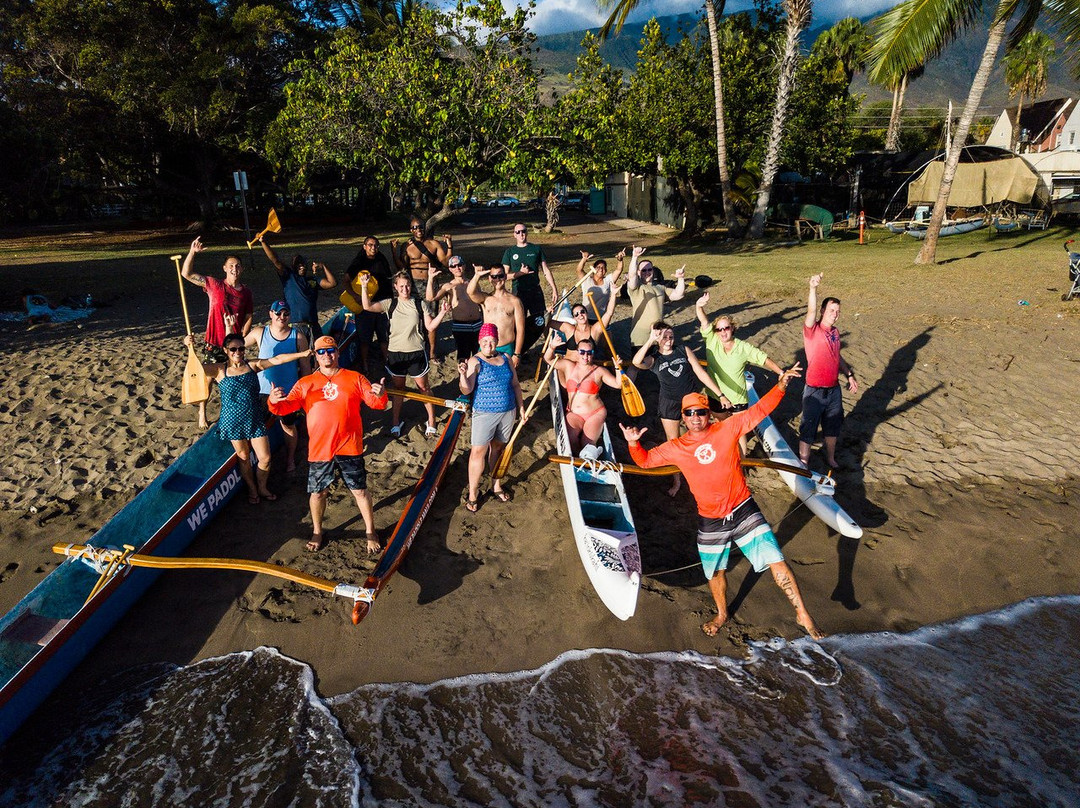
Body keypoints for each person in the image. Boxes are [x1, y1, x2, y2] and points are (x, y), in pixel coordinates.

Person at [619, 369, 825, 640]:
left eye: (700, 412)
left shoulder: (728, 428)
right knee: (715, 573)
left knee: (777, 561)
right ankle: (721, 614)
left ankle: (803, 614)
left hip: (743, 510)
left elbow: (759, 411)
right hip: (710, 519)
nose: (695, 418)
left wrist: (781, 386)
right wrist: (634, 444)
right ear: (682, 418)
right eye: (689, 413)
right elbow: (645, 461)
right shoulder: (676, 447)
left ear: (708, 414)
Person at [267, 335, 388, 553]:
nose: (327, 355)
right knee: (317, 493)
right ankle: (317, 531)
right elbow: (286, 408)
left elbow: (376, 403)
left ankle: (370, 531)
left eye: (330, 350)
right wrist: (274, 401)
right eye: (321, 352)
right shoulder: (305, 383)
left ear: (338, 352)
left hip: (350, 446)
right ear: (315, 356)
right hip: (320, 449)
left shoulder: (355, 377)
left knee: (359, 491)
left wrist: (380, 394)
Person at [185, 332, 311, 505]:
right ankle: (252, 489)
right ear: (226, 350)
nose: (238, 352)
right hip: (232, 421)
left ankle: (262, 487)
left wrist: (302, 354)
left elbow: (277, 359)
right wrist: (188, 347)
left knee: (265, 458)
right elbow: (194, 370)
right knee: (243, 456)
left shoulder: (253, 366)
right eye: (233, 349)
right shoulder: (220, 370)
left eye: (241, 348)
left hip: (255, 419)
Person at [631, 321, 725, 497]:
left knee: (701, 435)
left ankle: (707, 468)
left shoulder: (683, 350)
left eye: (671, 336)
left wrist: (720, 394)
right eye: (665, 337)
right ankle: (677, 480)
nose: (668, 340)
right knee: (672, 441)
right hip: (669, 402)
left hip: (691, 399)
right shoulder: (654, 358)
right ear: (659, 338)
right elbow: (637, 362)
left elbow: (700, 373)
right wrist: (651, 340)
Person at [358, 271, 448, 438]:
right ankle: (395, 422)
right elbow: (367, 306)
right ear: (395, 287)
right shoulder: (389, 304)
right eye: (401, 286)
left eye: (407, 285)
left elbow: (430, 327)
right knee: (398, 389)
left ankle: (432, 420)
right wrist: (364, 286)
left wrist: (442, 313)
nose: (405, 289)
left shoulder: (420, 303)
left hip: (416, 354)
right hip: (396, 355)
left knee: (424, 388)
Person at [695, 292, 784, 455]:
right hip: (716, 395)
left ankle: (742, 461)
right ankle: (726, 452)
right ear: (715, 331)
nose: (723, 332)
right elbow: (703, 320)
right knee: (721, 424)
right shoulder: (711, 339)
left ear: (732, 328)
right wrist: (699, 306)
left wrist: (781, 372)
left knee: (740, 432)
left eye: (726, 328)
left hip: (737, 398)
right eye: (719, 329)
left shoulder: (743, 347)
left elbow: (763, 358)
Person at [181, 237, 254, 429]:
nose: (234, 269)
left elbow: (248, 316)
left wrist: (242, 338)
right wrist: (192, 252)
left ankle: (231, 411)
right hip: (214, 341)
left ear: (242, 269)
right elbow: (186, 273)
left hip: (233, 345)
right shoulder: (214, 285)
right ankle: (202, 412)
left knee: (233, 378)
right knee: (209, 379)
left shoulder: (246, 293)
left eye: (238, 266)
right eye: (231, 265)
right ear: (224, 268)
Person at [457, 323, 526, 512]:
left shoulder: (506, 358)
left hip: (508, 411)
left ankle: (496, 485)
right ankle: (473, 492)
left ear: (497, 341)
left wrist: (521, 408)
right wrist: (463, 375)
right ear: (480, 341)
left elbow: (516, 385)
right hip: (484, 413)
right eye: (485, 340)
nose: (489, 344)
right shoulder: (475, 361)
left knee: (497, 449)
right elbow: (467, 389)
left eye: (492, 340)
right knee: (478, 453)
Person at [244, 300, 311, 472]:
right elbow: (234, 347)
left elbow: (305, 368)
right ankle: (257, 459)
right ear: (271, 314)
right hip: (262, 392)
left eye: (286, 314)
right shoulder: (260, 333)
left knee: (288, 426)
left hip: (287, 393)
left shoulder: (297, 336)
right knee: (256, 426)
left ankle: (290, 459)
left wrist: (305, 395)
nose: (282, 317)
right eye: (278, 313)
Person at [799, 273, 857, 470]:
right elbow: (811, 310)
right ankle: (804, 461)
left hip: (833, 390)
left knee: (832, 428)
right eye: (831, 310)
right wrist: (813, 288)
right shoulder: (812, 329)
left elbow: (837, 356)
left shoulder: (835, 332)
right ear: (823, 310)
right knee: (808, 427)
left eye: (837, 310)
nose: (835, 313)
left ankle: (830, 457)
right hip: (814, 390)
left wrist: (849, 374)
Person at [543, 332, 622, 456]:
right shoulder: (569, 366)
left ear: (593, 354)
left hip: (594, 414)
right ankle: (579, 456)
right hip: (574, 414)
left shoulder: (599, 371)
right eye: (582, 352)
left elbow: (618, 384)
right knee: (570, 440)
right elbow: (548, 359)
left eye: (589, 353)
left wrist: (618, 369)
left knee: (587, 445)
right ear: (577, 352)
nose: (585, 356)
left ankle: (590, 452)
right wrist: (552, 347)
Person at [393, 217, 452, 364]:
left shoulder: (433, 244)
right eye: (415, 227)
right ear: (411, 230)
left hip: (430, 284)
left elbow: (445, 262)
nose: (418, 230)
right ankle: (416, 348)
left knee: (431, 318)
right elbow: (401, 266)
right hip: (412, 285)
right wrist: (394, 251)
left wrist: (449, 246)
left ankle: (432, 352)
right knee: (413, 317)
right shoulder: (407, 245)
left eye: (420, 227)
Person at [258, 234, 337, 332]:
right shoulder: (289, 277)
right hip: (295, 326)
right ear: (293, 266)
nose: (302, 266)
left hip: (313, 326)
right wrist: (263, 242)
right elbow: (275, 260)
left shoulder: (313, 280)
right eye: (298, 264)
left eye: (303, 264)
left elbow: (332, 283)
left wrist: (323, 266)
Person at [502, 223, 557, 354]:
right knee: (519, 323)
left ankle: (550, 349)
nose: (521, 234)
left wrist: (554, 289)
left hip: (535, 291)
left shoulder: (536, 249)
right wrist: (521, 273)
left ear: (527, 232)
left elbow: (546, 270)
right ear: (513, 234)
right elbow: (503, 276)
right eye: (518, 232)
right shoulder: (509, 252)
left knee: (542, 319)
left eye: (523, 231)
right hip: (518, 293)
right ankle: (519, 352)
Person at [344, 235, 394, 372]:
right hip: (366, 305)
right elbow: (346, 280)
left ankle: (387, 361)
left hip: (383, 302)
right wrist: (355, 296)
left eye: (376, 245)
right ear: (364, 246)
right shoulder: (359, 261)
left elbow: (388, 278)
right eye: (370, 245)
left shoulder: (381, 258)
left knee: (384, 335)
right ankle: (365, 363)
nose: (373, 248)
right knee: (365, 337)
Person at [625, 246, 685, 350]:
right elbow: (632, 276)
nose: (647, 272)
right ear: (639, 272)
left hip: (659, 335)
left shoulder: (660, 288)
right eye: (643, 270)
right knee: (640, 365)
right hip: (641, 336)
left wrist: (680, 278)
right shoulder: (636, 288)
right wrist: (634, 257)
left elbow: (678, 294)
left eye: (649, 269)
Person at [466, 265, 525, 366]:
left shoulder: (515, 301)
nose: (497, 279)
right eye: (494, 276)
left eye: (500, 276)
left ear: (505, 277)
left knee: (506, 380)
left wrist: (517, 354)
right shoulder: (485, 299)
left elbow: (521, 329)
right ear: (490, 279)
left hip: (506, 348)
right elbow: (470, 292)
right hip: (486, 347)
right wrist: (476, 276)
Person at [427, 255, 483, 362]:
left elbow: (481, 302)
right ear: (450, 269)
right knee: (463, 357)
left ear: (464, 266)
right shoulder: (448, 286)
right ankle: (463, 378)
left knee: (479, 356)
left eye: (459, 265)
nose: (457, 268)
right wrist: (430, 278)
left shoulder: (473, 283)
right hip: (460, 326)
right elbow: (430, 298)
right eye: (453, 266)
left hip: (477, 324)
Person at [554, 297, 617, 361]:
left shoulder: (594, 331)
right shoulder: (569, 329)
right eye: (576, 314)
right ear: (574, 318)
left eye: (582, 312)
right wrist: (549, 313)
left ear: (587, 313)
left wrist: (613, 294)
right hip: (570, 367)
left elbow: (609, 313)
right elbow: (549, 323)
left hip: (586, 367)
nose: (580, 315)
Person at [575, 248, 625, 322]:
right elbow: (579, 270)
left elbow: (618, 270)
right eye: (598, 267)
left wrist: (620, 260)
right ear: (593, 269)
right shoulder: (586, 280)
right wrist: (584, 259)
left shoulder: (608, 281)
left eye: (603, 268)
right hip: (586, 317)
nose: (601, 269)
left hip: (602, 318)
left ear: (606, 271)